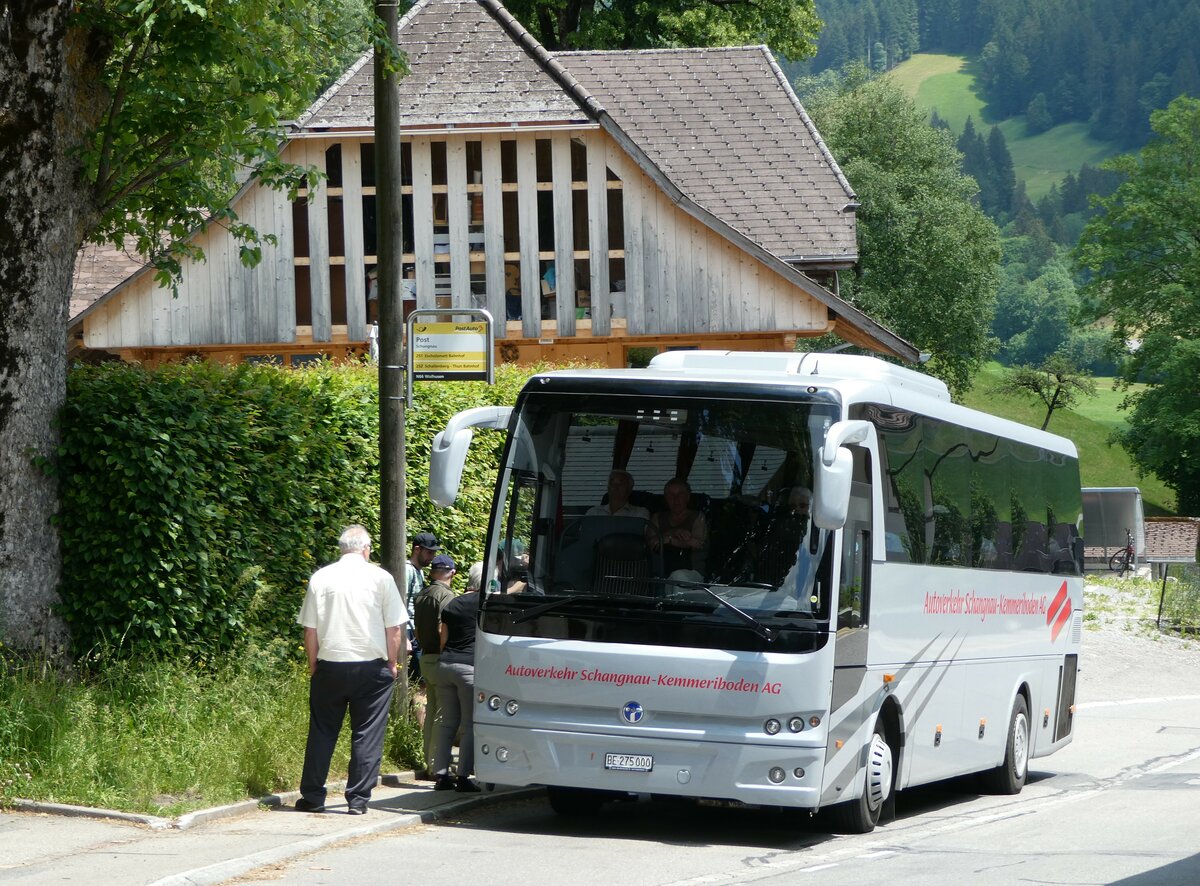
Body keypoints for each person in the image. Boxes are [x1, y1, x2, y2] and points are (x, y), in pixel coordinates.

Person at [295, 524, 407, 815]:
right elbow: (394, 627)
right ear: (366, 549)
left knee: (322, 730)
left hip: (330, 665)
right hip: (372, 668)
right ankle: (357, 800)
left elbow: (310, 629)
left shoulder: (321, 577)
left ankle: (312, 796)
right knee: (367, 733)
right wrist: (392, 664)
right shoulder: (381, 578)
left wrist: (313, 663)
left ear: (342, 548)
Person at [430, 560, 482, 793]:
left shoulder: (452, 604)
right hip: (469, 668)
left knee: (446, 722)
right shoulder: (484, 605)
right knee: (470, 725)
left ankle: (441, 775)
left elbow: (443, 640)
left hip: (445, 665)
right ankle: (463, 777)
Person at [412, 554, 457, 779]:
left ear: (432, 572)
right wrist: (446, 652)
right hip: (441, 657)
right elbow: (443, 629)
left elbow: (418, 631)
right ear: (452, 573)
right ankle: (438, 766)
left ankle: (430, 761)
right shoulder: (447, 597)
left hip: (426, 657)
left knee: (430, 713)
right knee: (442, 715)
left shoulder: (422, 595)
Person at [648, 477, 708, 575]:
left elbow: (697, 544)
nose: (675, 499)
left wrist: (670, 540)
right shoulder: (657, 517)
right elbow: (651, 543)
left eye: (680, 494)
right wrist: (673, 532)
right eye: (670, 495)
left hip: (691, 572)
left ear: (688, 497)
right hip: (660, 570)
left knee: (678, 576)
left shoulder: (698, 516)